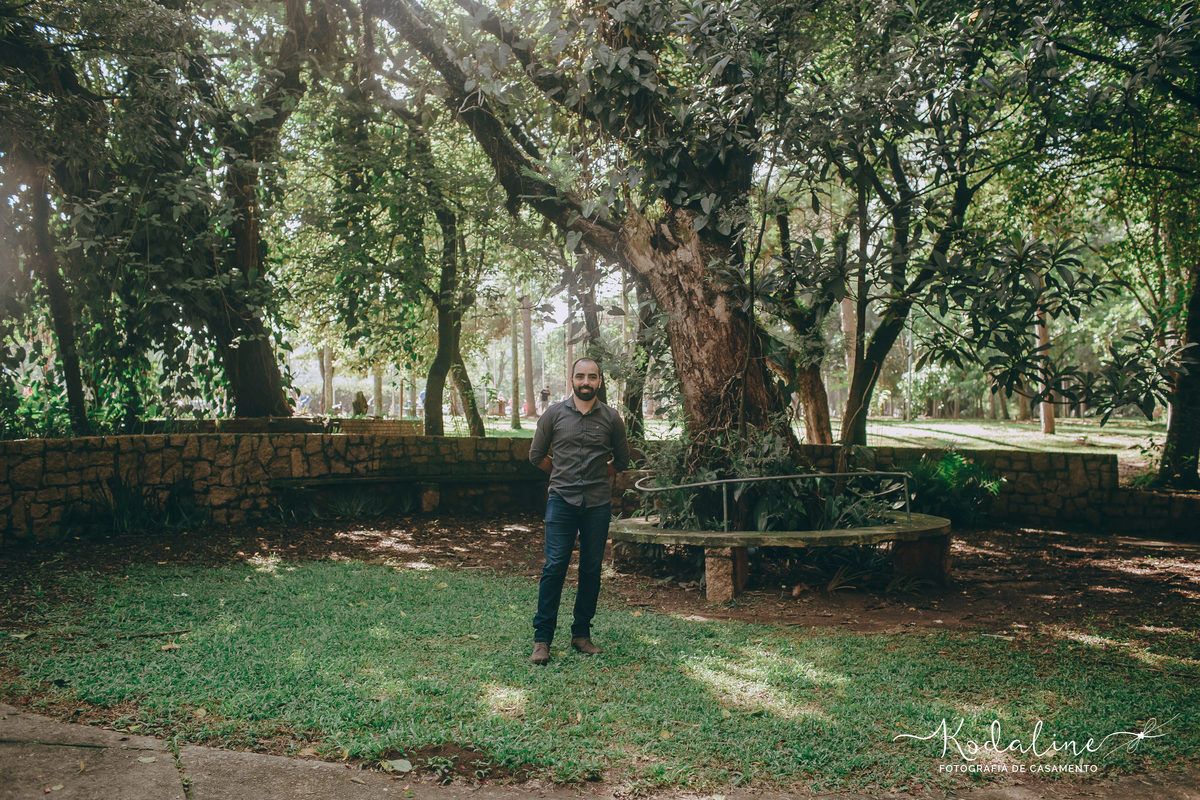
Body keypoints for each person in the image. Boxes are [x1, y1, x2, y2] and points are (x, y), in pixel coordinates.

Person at [526, 357, 630, 665]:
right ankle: (542, 640)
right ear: (571, 380)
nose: (586, 382)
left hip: (597, 504)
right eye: (580, 376)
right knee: (554, 567)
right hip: (561, 501)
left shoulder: (612, 418)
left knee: (590, 569)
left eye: (592, 377)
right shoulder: (554, 414)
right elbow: (536, 456)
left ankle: (581, 635)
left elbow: (622, 461)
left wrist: (598, 474)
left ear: (600, 381)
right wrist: (562, 474)